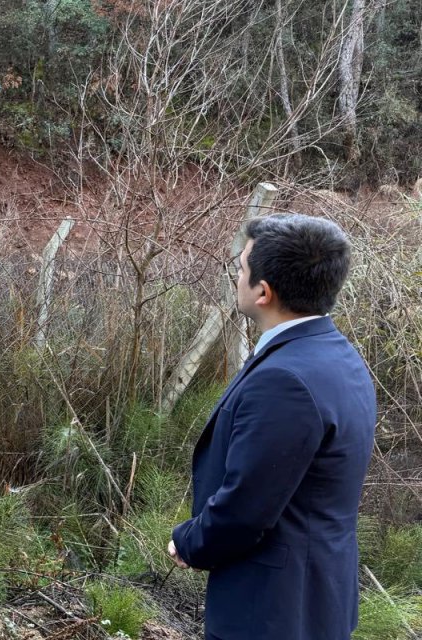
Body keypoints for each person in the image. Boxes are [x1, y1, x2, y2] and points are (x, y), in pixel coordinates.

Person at [167, 214, 376, 640]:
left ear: (263, 291)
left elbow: (247, 507)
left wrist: (190, 542)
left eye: (241, 270)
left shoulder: (286, 380)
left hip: (272, 610)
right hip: (316, 596)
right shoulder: (338, 356)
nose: (237, 278)